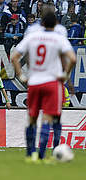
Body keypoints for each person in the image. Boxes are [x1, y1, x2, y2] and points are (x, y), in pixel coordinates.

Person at [11, 11, 76, 162]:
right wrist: (65, 75)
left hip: (34, 82)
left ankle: (30, 154)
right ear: (56, 24)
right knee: (47, 119)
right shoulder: (59, 38)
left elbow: (14, 56)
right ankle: (41, 154)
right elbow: (72, 59)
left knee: (32, 119)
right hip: (52, 82)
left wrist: (21, 75)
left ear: (41, 24)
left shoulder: (32, 37)